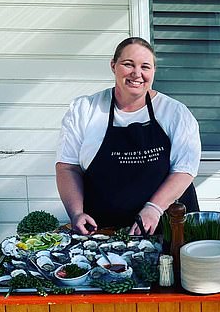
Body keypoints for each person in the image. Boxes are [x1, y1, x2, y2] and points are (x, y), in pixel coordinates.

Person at [56, 37, 201, 235]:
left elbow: (184, 170)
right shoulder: (85, 109)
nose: (137, 73)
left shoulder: (175, 113)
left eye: (145, 67)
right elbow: (67, 167)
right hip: (103, 230)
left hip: (167, 226)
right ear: (113, 66)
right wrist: (76, 213)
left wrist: (154, 208)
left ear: (153, 72)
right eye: (128, 64)